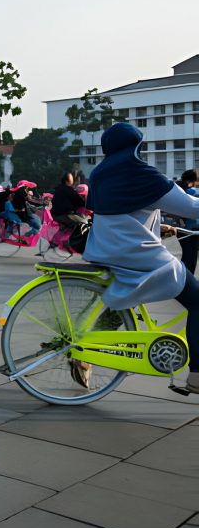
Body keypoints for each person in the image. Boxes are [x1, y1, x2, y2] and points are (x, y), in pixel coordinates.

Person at [84, 123, 199, 392]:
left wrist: (158, 226)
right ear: (136, 147)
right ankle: (197, 375)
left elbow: (119, 216)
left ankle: (85, 346)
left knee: (125, 296)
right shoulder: (141, 173)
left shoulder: (100, 174)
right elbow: (192, 208)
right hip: (137, 254)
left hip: (106, 250)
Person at [175, 170, 199, 274]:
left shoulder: (178, 189)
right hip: (191, 230)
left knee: (187, 257)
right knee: (190, 259)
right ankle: (187, 284)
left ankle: (184, 281)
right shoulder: (192, 191)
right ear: (195, 180)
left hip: (182, 229)